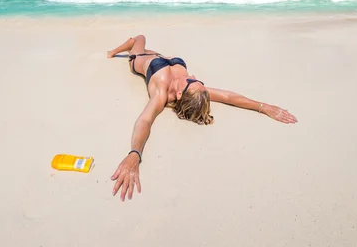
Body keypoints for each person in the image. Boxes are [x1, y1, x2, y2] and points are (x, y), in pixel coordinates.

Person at [107, 35, 297, 201]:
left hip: (139, 58)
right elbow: (228, 96)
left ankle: (118, 49)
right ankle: (126, 46)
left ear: (180, 94)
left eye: (192, 80)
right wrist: (263, 107)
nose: (194, 76)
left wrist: (135, 154)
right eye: (198, 81)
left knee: (139, 39)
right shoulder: (195, 90)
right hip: (161, 58)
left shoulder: (162, 93)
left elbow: (145, 120)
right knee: (149, 48)